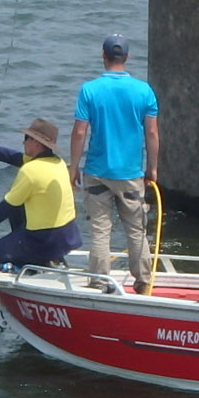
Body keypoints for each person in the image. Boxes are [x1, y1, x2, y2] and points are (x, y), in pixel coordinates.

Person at [68, 33, 159, 293]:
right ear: (127, 57)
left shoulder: (89, 90)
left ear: (103, 56)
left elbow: (79, 132)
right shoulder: (144, 91)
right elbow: (151, 133)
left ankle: (99, 281)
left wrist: (73, 167)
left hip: (97, 172)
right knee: (136, 230)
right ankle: (143, 281)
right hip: (131, 173)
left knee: (100, 231)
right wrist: (152, 168)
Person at [0, 117, 81, 271]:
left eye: (26, 138)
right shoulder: (58, 163)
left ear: (36, 143)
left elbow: (6, 207)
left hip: (43, 240)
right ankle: (44, 259)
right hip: (67, 237)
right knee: (19, 208)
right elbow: (11, 156)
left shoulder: (31, 171)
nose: (23, 142)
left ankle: (22, 268)